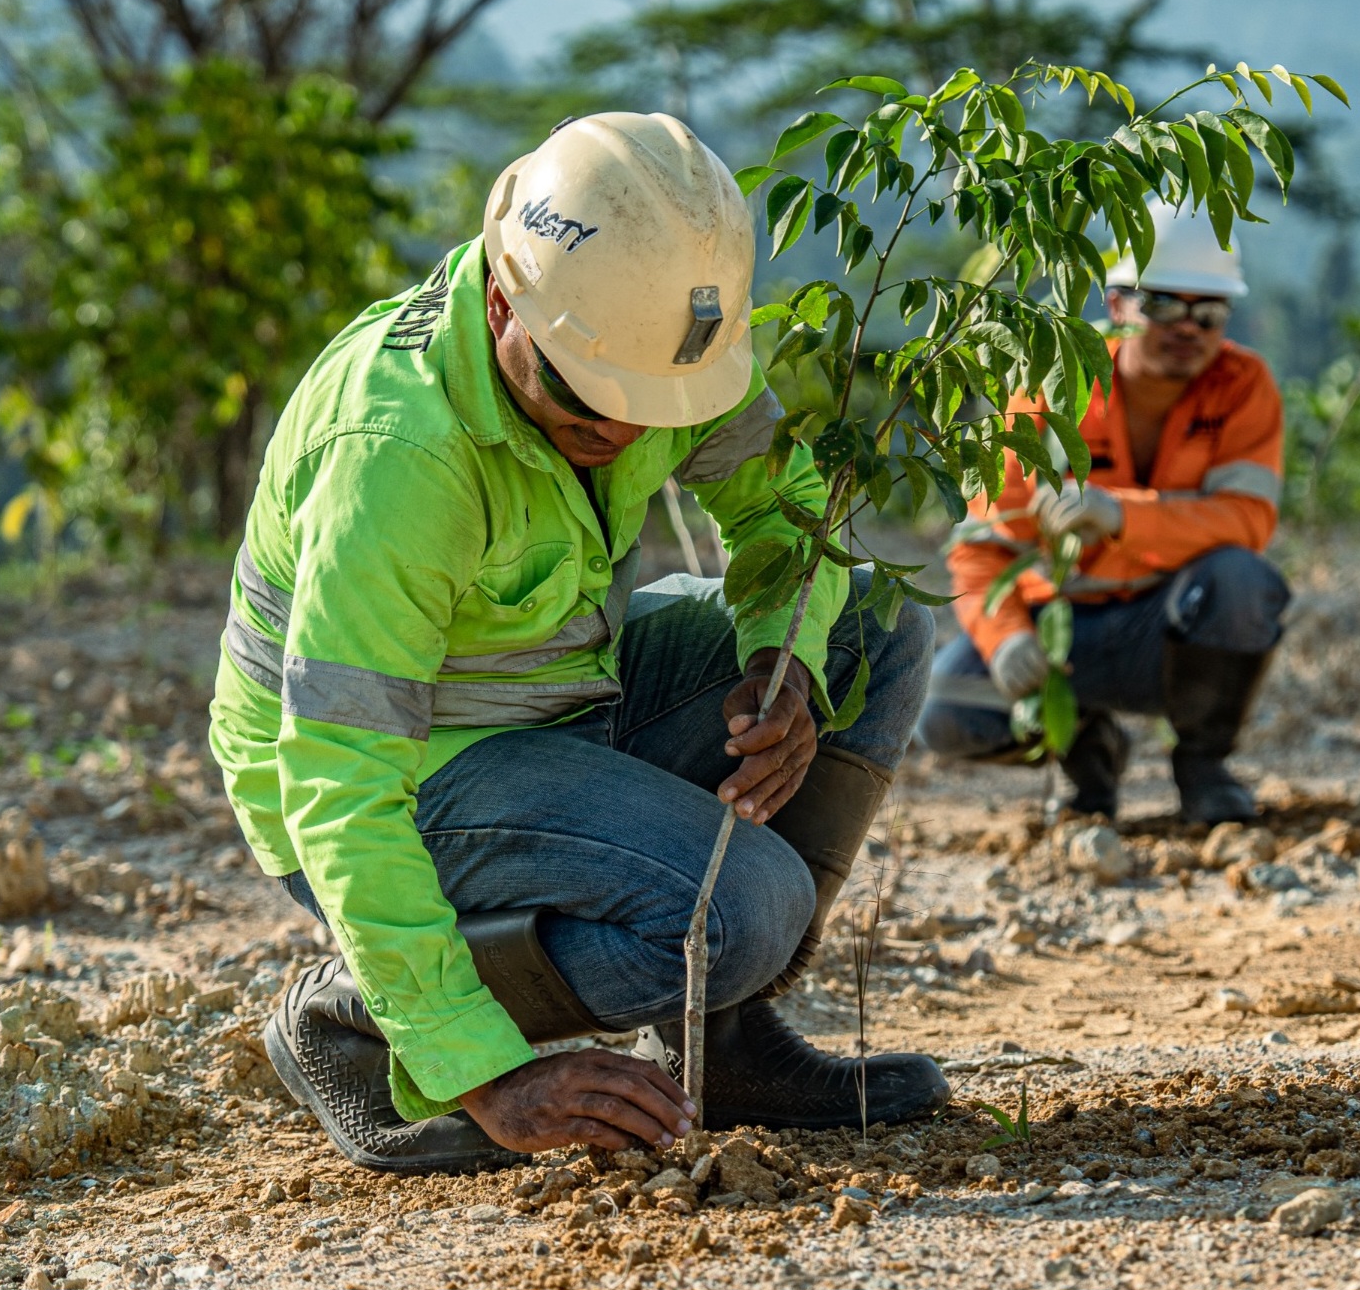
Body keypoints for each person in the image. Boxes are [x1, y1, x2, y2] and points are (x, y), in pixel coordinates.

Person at [208, 113, 946, 1176]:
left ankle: (717, 1039)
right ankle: (363, 1019)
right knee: (746, 906)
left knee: (871, 628)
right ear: (505, 304)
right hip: (403, 772)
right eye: (598, 408)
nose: (631, 433)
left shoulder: (645, 337)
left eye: (657, 409)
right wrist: (483, 1071)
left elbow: (788, 513)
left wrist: (778, 662)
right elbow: (337, 775)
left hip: (558, 697)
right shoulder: (399, 453)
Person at [916, 200, 1290, 824]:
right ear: (1118, 306)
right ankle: (1089, 755)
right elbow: (981, 548)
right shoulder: (1050, 385)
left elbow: (1246, 521)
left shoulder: (1243, 386)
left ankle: (1203, 768)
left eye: (1209, 312)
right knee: (944, 714)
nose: (1188, 327)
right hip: (1059, 632)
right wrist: (1007, 640)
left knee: (1245, 584)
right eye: (1164, 304)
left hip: (1166, 634)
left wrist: (1125, 515)